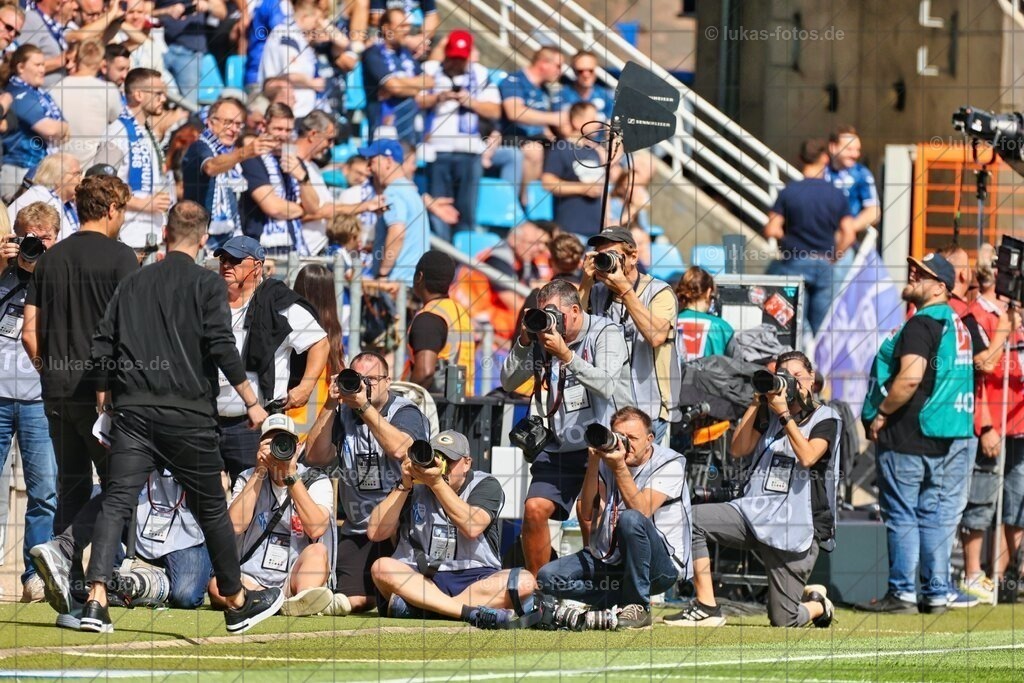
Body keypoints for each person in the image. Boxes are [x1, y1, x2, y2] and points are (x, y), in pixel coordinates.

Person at [76, 200, 278, 634]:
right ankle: (236, 601)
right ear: (204, 240)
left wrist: (106, 396)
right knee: (211, 510)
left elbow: (102, 345)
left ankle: (96, 600)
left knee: (117, 499)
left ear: (165, 234)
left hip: (133, 413)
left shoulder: (134, 281)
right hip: (188, 416)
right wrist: (252, 402)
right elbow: (222, 346)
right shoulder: (208, 286)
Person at [23, 175, 137, 621]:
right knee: (118, 489)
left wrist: (49, 369)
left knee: (70, 487)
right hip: (103, 395)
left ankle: (67, 591)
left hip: (56, 390)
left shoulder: (51, 260)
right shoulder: (122, 258)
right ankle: (93, 592)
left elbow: (30, 333)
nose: (123, 217)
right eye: (123, 209)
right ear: (110, 208)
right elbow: (128, 329)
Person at [665, 351, 840, 628]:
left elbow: (808, 457)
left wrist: (784, 414)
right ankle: (707, 606)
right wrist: (757, 401)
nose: (791, 383)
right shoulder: (767, 414)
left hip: (797, 527)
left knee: (785, 621)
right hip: (754, 513)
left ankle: (817, 606)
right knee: (693, 518)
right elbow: (738, 448)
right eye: (783, 377)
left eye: (797, 377)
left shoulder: (827, 418)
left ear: (812, 380)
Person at [857, 252, 975, 614]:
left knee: (902, 513)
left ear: (940, 287)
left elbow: (909, 377)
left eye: (921, 274)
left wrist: (880, 414)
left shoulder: (922, 323)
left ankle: (904, 593)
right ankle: (936, 592)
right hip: (949, 435)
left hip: (910, 432)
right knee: (934, 515)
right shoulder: (955, 322)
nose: (913, 275)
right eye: (913, 270)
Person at [500, 279, 633, 576]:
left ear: (574, 310)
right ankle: (542, 590)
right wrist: (524, 340)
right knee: (534, 509)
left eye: (554, 315)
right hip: (560, 444)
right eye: (542, 314)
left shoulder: (605, 332)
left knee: (590, 518)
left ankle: (598, 590)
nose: (549, 322)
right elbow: (508, 382)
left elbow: (608, 385)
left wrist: (566, 356)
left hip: (600, 443)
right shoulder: (543, 339)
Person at [537, 407, 690, 628]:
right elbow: (587, 512)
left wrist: (618, 466)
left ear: (650, 439)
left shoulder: (671, 464)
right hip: (612, 557)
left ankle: (638, 607)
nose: (624, 444)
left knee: (630, 519)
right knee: (547, 577)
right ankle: (617, 602)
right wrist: (592, 464)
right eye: (619, 437)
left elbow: (641, 511)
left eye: (632, 438)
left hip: (659, 567)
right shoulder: (607, 460)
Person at [368, 430, 537, 628]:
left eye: (449, 460)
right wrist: (404, 486)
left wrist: (437, 483)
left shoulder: (485, 484)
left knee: (525, 582)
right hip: (422, 578)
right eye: (437, 458)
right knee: (381, 567)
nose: (442, 467)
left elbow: (472, 526)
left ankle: (427, 610)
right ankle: (467, 613)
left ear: (467, 463)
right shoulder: (414, 484)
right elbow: (376, 533)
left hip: (475, 577)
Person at [305, 351, 430, 614]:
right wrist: (330, 404)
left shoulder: (405, 411)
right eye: (358, 378)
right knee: (351, 599)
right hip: (359, 527)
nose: (364, 385)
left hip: (400, 526)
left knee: (391, 601)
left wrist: (364, 407)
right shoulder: (343, 412)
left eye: (371, 379)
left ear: (387, 381)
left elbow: (401, 450)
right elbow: (315, 456)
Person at [213, 235, 328, 480]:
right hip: (209, 420)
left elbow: (320, 342)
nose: (226, 264)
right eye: (223, 258)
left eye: (235, 260)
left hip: (255, 425)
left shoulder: (277, 303)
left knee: (255, 502)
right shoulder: (210, 301)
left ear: (257, 266)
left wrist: (306, 387)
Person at [210, 414, 343, 617]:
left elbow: (316, 528)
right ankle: (287, 603)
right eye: (270, 443)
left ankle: (295, 598)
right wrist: (259, 472)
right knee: (217, 587)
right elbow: (235, 526)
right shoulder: (248, 477)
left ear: (297, 447)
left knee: (318, 551)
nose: (278, 448)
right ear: (259, 446)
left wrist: (290, 475)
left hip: (295, 579)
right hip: (252, 579)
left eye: (284, 442)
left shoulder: (316, 480)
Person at [0, 203, 58, 603]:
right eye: (28, 236)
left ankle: (34, 576)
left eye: (44, 238)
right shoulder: (1, 274)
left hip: (39, 400)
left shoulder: (62, 280)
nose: (34, 245)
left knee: (44, 492)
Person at [958, 249, 1023, 605]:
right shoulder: (975, 315)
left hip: (1017, 422)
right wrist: (984, 426)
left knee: (1015, 501)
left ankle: (1006, 576)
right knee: (980, 499)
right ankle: (973, 573)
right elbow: (978, 371)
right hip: (990, 421)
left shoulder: (1013, 315)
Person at [581, 227, 679, 442]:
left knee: (637, 475)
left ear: (633, 256)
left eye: (612, 255)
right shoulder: (597, 292)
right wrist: (586, 282)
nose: (606, 261)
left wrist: (625, 290)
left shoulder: (659, 292)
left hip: (647, 410)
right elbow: (574, 331)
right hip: (606, 412)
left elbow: (655, 336)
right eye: (601, 256)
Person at [763, 138, 855, 334]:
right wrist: (835, 255)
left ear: (800, 159)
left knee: (792, 325)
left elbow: (771, 229)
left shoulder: (789, 192)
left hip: (794, 263)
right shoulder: (836, 194)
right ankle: (819, 362)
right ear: (824, 158)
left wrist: (784, 239)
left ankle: (797, 361)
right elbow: (849, 233)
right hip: (824, 263)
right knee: (822, 328)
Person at [418, 29, 500, 234]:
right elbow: (416, 100)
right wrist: (440, 97)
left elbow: (495, 110)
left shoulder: (480, 73)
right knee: (440, 209)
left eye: (461, 59)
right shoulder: (429, 70)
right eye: (453, 57)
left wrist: (470, 101)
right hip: (437, 151)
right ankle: (442, 257)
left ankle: (464, 258)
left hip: (469, 150)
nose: (457, 63)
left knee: (466, 211)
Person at [94, 68, 175, 254]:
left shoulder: (145, 131)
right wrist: (144, 204)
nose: (163, 99)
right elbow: (99, 184)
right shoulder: (118, 132)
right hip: (127, 237)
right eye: (158, 94)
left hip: (148, 234)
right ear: (138, 94)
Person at [181, 97, 275, 252]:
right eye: (228, 123)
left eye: (238, 124)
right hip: (201, 239)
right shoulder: (200, 147)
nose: (233, 129)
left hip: (227, 238)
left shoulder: (230, 153)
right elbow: (211, 167)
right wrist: (246, 152)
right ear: (211, 122)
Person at [452, 219, 554, 347]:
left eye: (540, 243)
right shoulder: (497, 260)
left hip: (489, 325)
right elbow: (516, 304)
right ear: (514, 241)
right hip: (470, 321)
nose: (539, 249)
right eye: (532, 243)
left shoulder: (524, 261)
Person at [239, 103, 321, 254]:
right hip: (262, 249)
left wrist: (302, 178)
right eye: (278, 129)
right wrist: (302, 209)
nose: (283, 135)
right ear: (264, 126)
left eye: (288, 130)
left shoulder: (294, 160)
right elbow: (273, 207)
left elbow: (315, 207)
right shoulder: (253, 159)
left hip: (295, 247)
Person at [130, 470, 212, 609]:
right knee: (96, 496)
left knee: (185, 597)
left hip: (186, 535)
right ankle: (114, 575)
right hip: (139, 516)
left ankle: (157, 582)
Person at [1, 45, 69, 201]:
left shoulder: (39, 93)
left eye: (43, 65)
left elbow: (66, 133)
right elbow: (50, 129)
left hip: (36, 171)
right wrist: (62, 128)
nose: (42, 70)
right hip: (18, 171)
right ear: (20, 67)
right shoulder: (17, 92)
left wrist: (62, 128)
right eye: (37, 65)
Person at [498, 47, 563, 206]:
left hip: (537, 139)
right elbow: (514, 112)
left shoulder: (544, 90)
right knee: (534, 151)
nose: (560, 71)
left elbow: (545, 126)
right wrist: (555, 118)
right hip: (511, 137)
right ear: (543, 64)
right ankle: (523, 203)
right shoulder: (514, 81)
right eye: (558, 66)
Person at [361, 138, 429, 287]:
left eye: (371, 161)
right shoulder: (410, 191)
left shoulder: (393, 193)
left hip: (397, 285)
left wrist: (382, 274)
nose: (368, 168)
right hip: (411, 283)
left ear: (388, 162)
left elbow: (397, 234)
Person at [406, 250, 475, 395]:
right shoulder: (459, 311)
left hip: (436, 409)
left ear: (419, 277)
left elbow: (425, 371)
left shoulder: (429, 317)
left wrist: (404, 402)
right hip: (463, 405)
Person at [361, 8, 434, 143]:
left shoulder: (405, 54)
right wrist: (413, 88)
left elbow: (429, 81)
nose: (407, 30)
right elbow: (394, 87)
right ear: (386, 28)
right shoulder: (373, 54)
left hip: (410, 131)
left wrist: (401, 85)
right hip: (384, 130)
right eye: (402, 26)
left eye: (408, 26)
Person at [48, 39, 122, 166]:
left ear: (77, 59)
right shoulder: (108, 90)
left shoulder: (56, 88)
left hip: (61, 165)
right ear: (101, 63)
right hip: (91, 167)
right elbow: (118, 123)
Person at [541, 102, 608, 239]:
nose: (598, 125)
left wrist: (607, 223)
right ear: (577, 122)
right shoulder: (561, 148)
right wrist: (583, 189)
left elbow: (603, 192)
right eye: (592, 119)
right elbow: (548, 183)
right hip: (571, 230)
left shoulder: (594, 153)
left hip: (596, 232)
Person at [258, 0, 325, 119]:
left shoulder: (299, 37)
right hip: (293, 112)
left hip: (303, 110)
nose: (317, 26)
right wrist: (312, 83)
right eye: (316, 20)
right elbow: (291, 73)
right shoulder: (287, 34)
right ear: (304, 17)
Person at [156, 0, 227, 108]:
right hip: (158, 49)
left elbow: (222, 12)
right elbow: (143, 11)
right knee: (153, 98)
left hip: (189, 52)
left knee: (188, 105)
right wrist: (167, 11)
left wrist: (207, 6)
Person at [6, 153, 80, 241]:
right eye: (76, 173)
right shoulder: (40, 198)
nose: (81, 178)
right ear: (58, 175)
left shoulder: (65, 202)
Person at [293, 111, 338, 256]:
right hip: (296, 255)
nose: (331, 146)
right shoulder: (289, 164)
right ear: (312, 135)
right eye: (329, 139)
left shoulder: (314, 167)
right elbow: (300, 213)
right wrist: (361, 207)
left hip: (315, 253)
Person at [825, 124, 881, 234]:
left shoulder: (861, 174)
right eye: (849, 149)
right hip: (821, 238)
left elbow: (874, 211)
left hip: (848, 241)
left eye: (857, 149)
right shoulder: (821, 172)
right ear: (833, 147)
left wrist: (849, 229)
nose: (855, 154)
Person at [675, 266, 734, 362]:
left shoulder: (668, 324)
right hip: (713, 376)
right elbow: (738, 365)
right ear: (708, 292)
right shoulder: (722, 327)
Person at [19, 0, 73, 88]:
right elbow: (22, 63)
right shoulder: (31, 19)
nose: (63, 1)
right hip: (37, 95)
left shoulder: (53, 24)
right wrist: (60, 61)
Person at [559, 50, 613, 122]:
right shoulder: (562, 96)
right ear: (573, 70)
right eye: (580, 71)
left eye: (590, 70)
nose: (586, 75)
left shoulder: (606, 96)